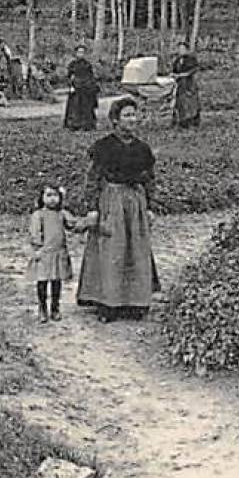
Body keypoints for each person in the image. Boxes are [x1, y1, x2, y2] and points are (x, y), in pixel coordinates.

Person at [76, 97, 161, 322]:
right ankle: (108, 303)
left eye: (134, 115)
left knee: (136, 250)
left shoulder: (143, 149)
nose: (132, 119)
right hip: (112, 201)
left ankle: (135, 302)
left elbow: (150, 179)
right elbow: (93, 178)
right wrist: (92, 208)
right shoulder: (104, 147)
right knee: (112, 251)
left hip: (135, 204)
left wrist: (150, 206)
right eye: (127, 115)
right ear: (115, 120)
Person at [28, 185, 90, 323]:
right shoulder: (38, 215)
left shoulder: (62, 214)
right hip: (44, 253)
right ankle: (42, 308)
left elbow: (73, 225)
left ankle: (55, 308)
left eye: (55, 196)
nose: (52, 199)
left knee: (57, 282)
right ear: (42, 198)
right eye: (48, 195)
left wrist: (87, 222)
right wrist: (37, 248)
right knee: (42, 282)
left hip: (59, 253)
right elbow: (35, 233)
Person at [63, 44, 99, 131]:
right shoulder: (72, 64)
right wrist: (71, 86)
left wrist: (93, 87)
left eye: (83, 52)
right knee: (74, 107)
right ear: (76, 53)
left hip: (86, 89)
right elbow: (69, 76)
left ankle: (87, 125)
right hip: (76, 88)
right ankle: (74, 125)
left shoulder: (87, 64)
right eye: (79, 52)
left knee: (86, 107)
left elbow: (91, 76)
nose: (81, 54)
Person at [170, 41, 201, 129]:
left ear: (187, 50)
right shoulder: (177, 61)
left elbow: (192, 71)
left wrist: (181, 75)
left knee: (191, 103)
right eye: (179, 49)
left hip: (189, 84)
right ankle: (181, 121)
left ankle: (192, 121)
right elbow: (174, 71)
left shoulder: (191, 59)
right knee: (180, 103)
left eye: (182, 49)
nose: (180, 51)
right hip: (180, 85)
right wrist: (173, 75)